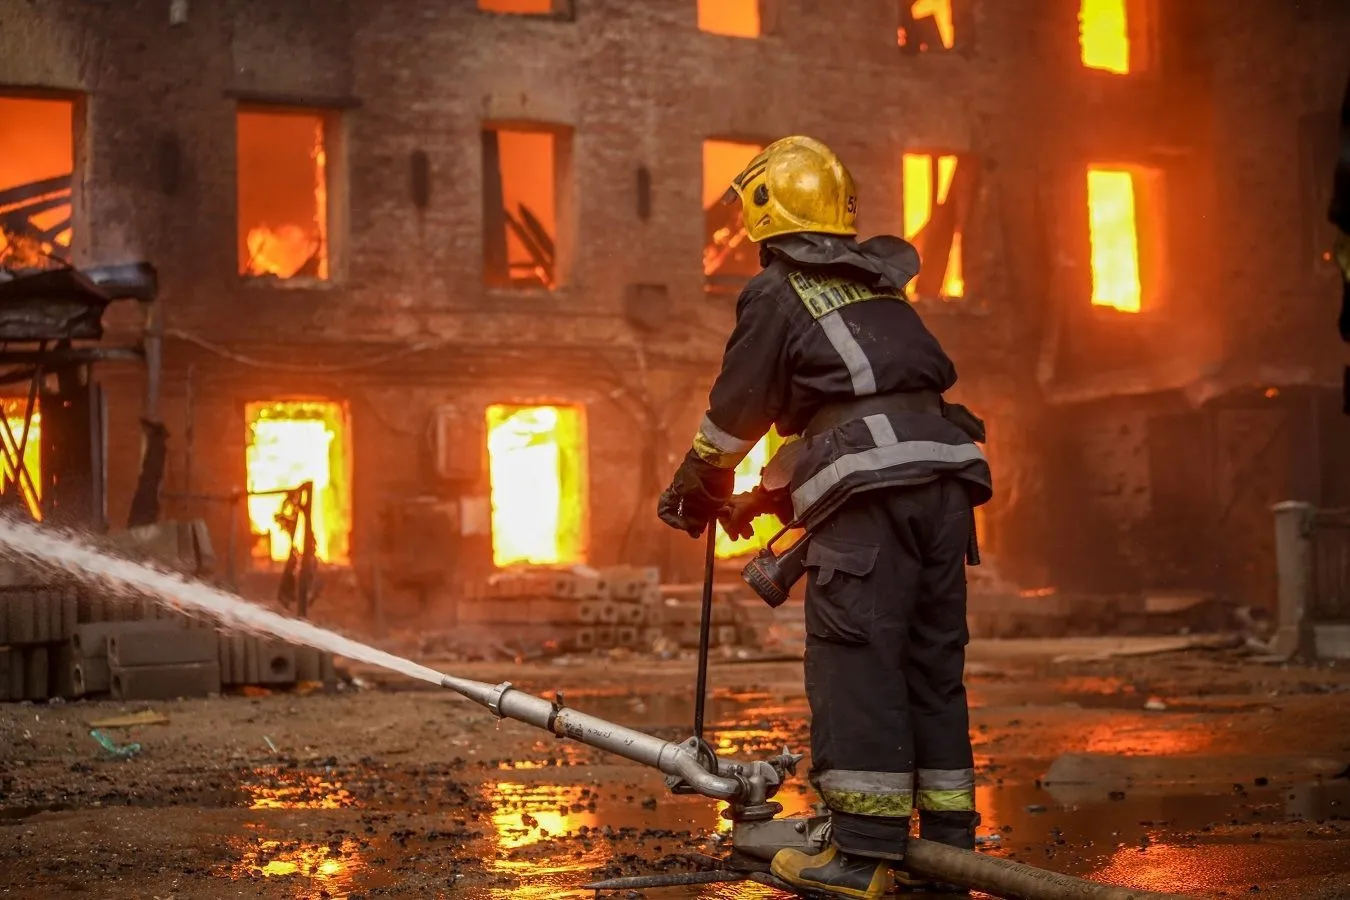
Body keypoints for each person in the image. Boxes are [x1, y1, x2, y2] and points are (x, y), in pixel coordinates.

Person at [656, 135, 992, 899]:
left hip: (874, 508)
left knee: (858, 663)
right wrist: (765, 499)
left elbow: (735, 414)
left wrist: (699, 488)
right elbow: (861, 423)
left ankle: (862, 858)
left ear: (763, 213)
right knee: (931, 667)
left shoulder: (778, 291)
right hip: (943, 488)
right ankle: (948, 851)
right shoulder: (879, 291)